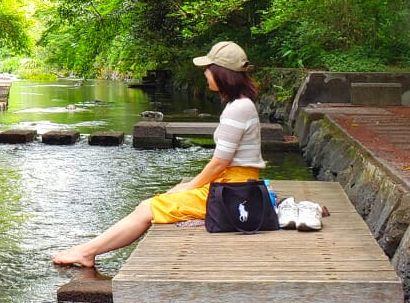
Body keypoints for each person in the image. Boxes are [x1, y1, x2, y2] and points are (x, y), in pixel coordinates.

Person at [51, 41, 266, 267]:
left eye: (208, 68)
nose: (205, 73)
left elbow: (220, 162)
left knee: (147, 208)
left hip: (233, 192)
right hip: (234, 187)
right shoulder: (241, 105)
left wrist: (191, 185)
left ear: (222, 73)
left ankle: (87, 252)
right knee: (158, 200)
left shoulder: (238, 108)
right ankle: (88, 250)